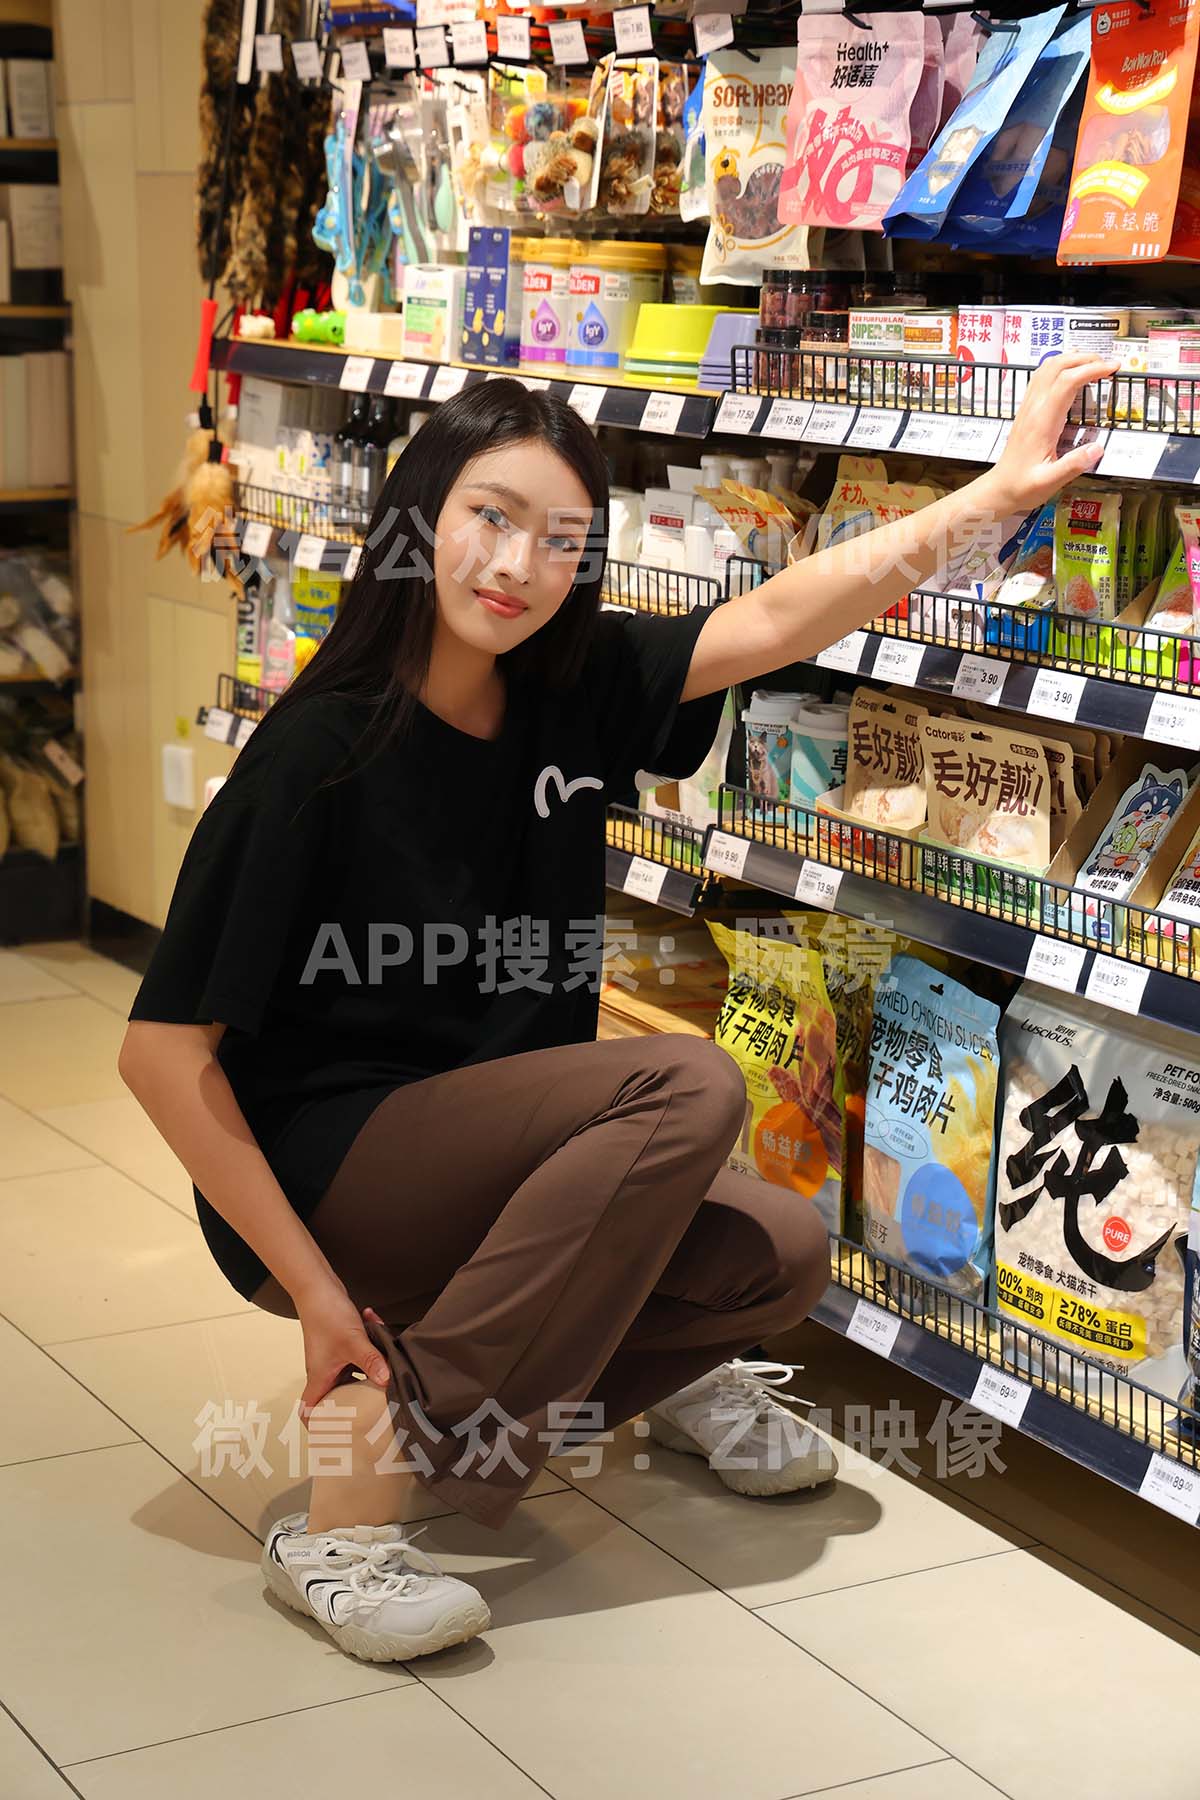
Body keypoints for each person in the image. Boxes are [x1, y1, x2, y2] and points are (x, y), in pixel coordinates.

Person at [120, 352, 1114, 1666]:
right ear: (419, 515)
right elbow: (160, 1054)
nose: (517, 566)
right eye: (489, 516)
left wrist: (993, 497)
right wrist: (312, 1289)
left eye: (561, 540)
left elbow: (782, 617)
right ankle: (353, 1510)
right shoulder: (319, 751)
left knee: (780, 1253)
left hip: (494, 1162)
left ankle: (568, 1394)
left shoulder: (568, 688)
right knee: (688, 1085)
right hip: (328, 1175)